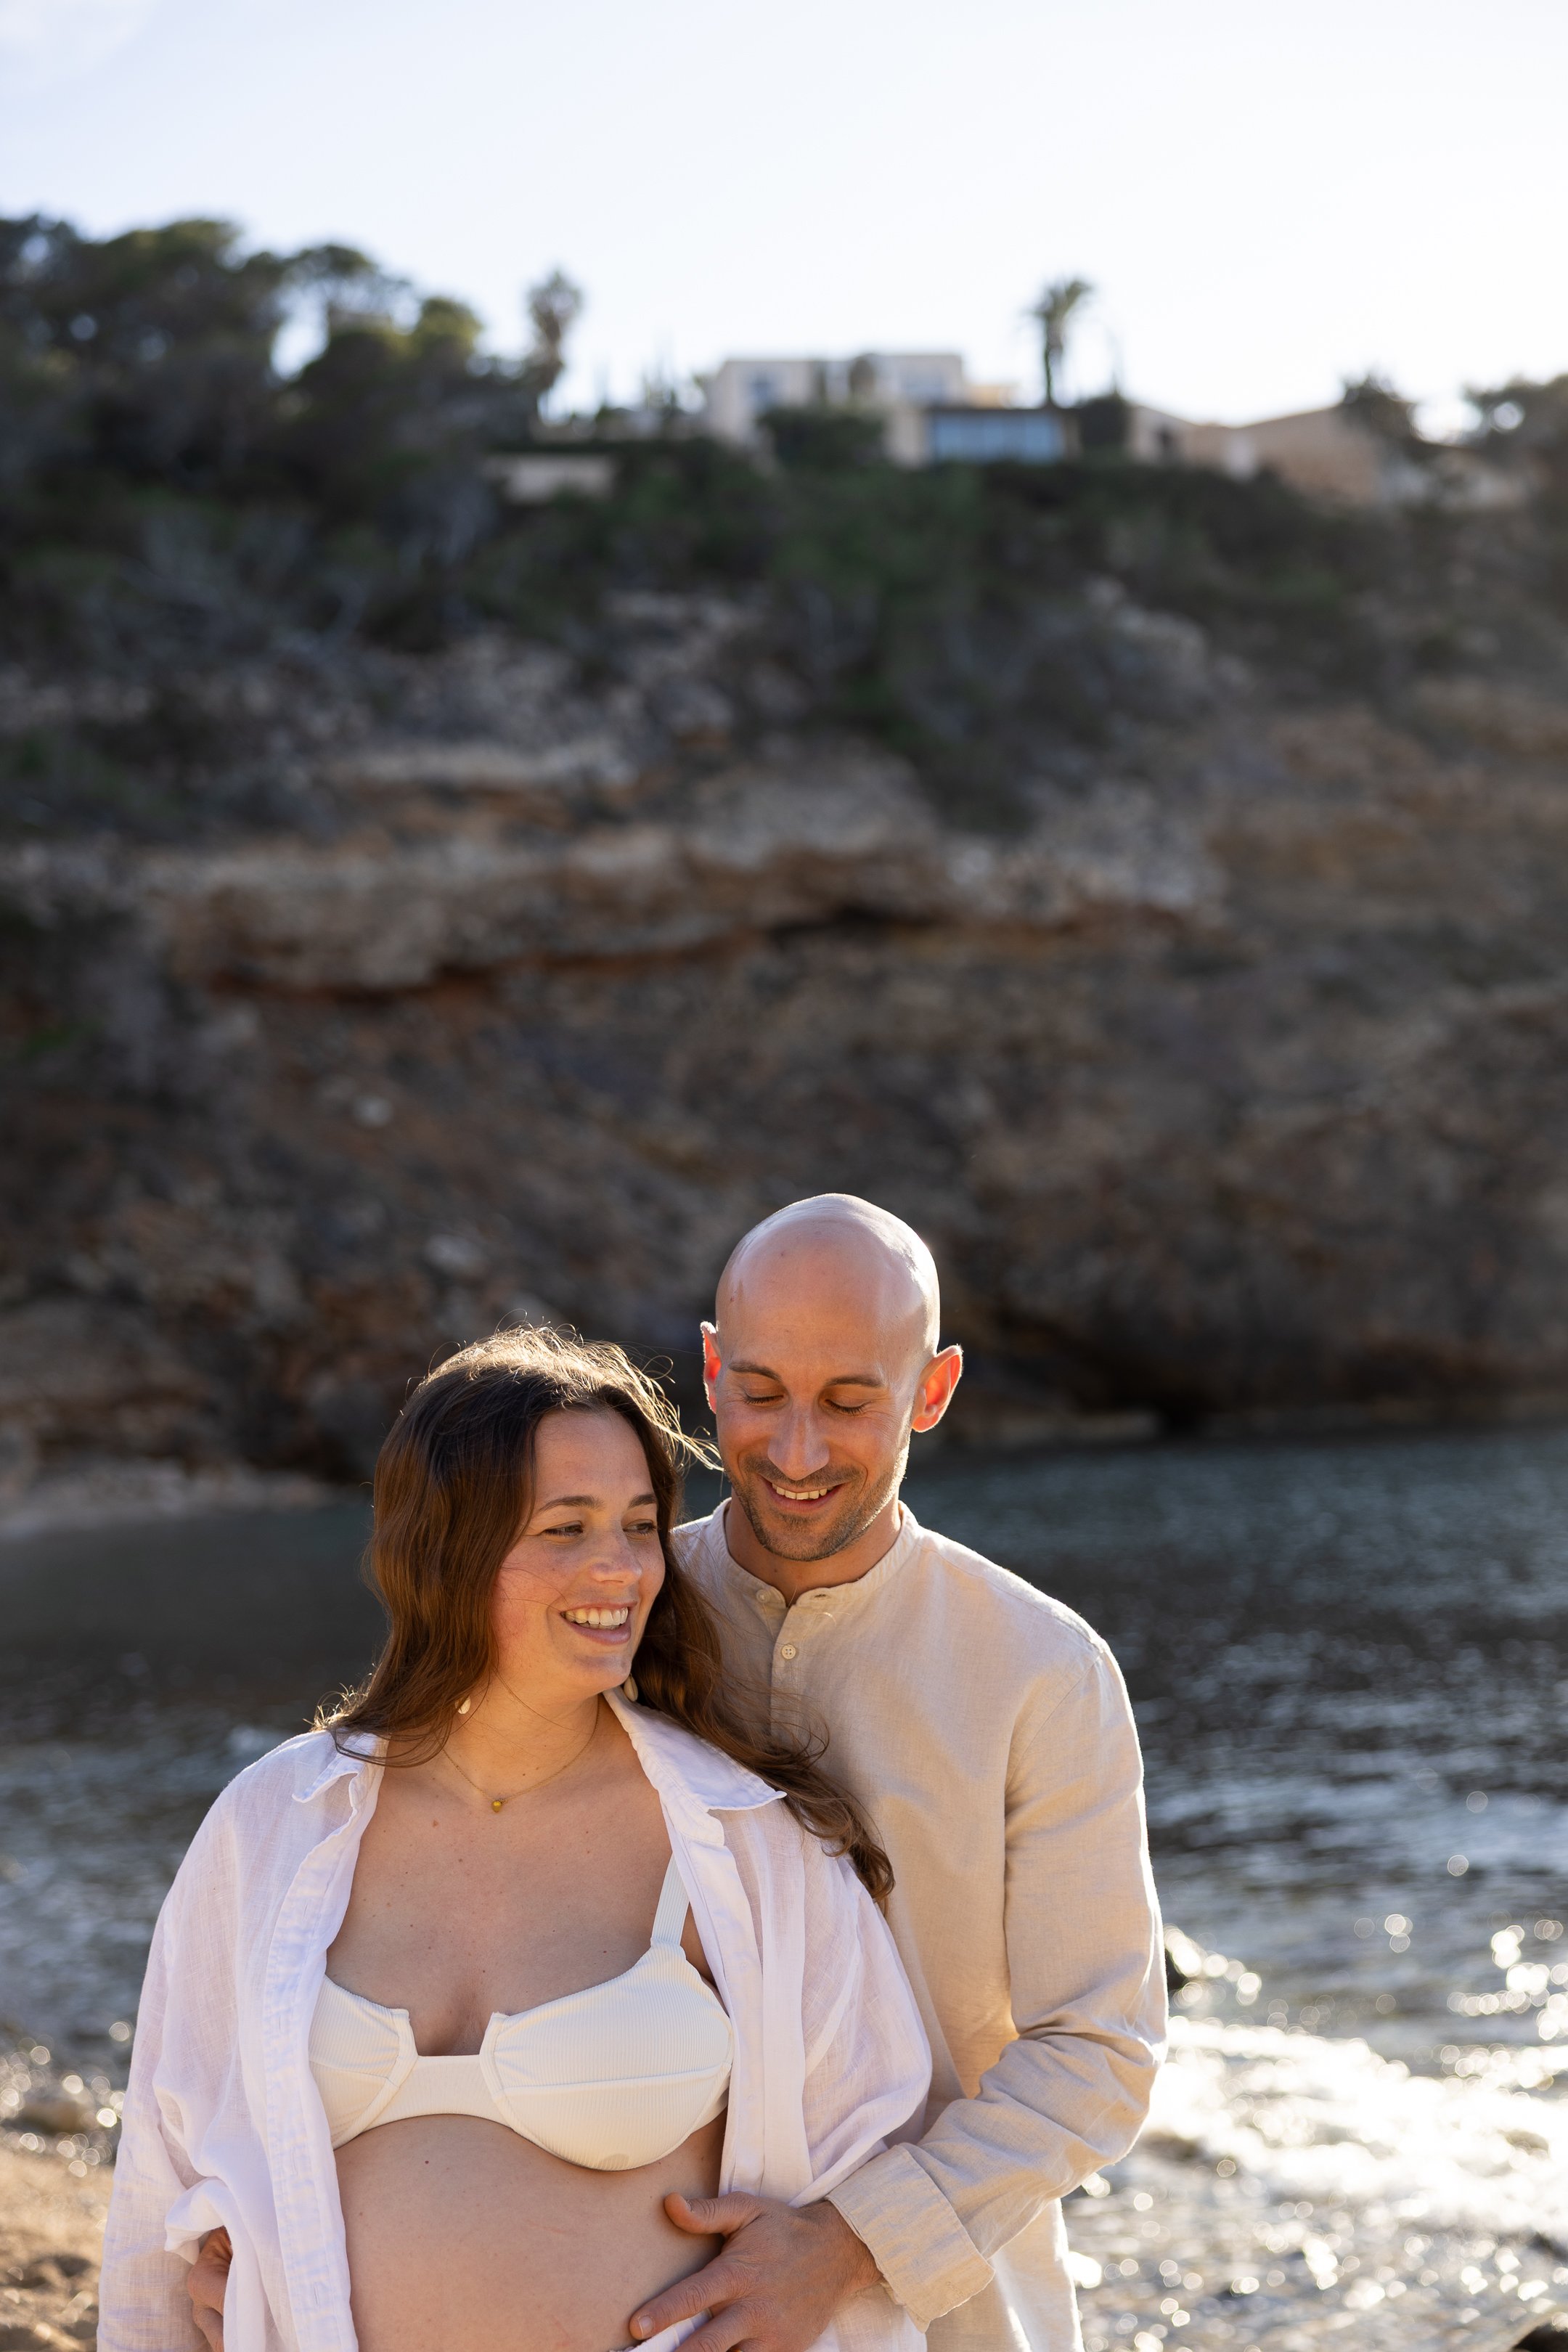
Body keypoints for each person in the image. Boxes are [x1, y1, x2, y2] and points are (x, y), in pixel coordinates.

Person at [98, 1328, 931, 2352]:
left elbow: (864, 2163)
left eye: (639, 1525)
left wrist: (831, 2260)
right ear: (447, 1549)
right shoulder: (277, 1821)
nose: (620, 1568)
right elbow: (165, 2172)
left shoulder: (745, 1838)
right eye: (566, 1528)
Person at [621, 1196, 1167, 2352]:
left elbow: (1099, 2052)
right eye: (760, 1392)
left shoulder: (1045, 1671)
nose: (797, 1451)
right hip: (630, 2290)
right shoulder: (606, 1620)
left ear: (933, 1390)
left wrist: (848, 2243)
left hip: (949, 2316)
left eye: (849, 1401)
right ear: (710, 1371)